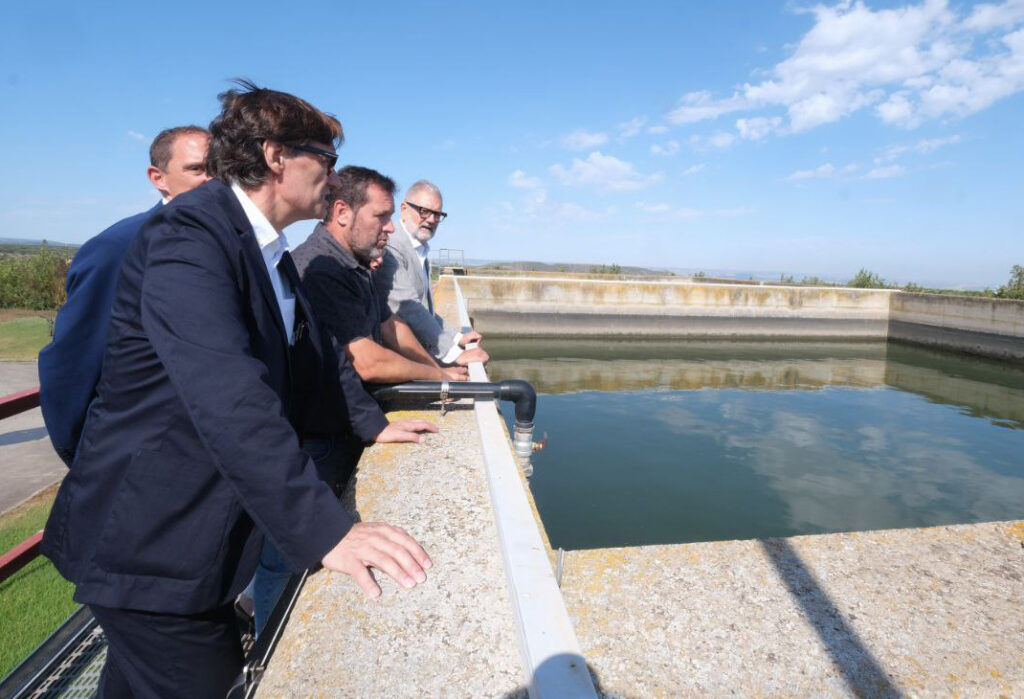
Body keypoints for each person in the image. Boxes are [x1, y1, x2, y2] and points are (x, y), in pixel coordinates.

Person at [42, 81, 435, 698]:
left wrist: (373, 424)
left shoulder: (264, 248)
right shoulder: (189, 236)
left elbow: (319, 356)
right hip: (148, 540)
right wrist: (325, 529)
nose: (333, 181)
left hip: (187, 538)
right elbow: (227, 393)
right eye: (325, 161)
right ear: (276, 157)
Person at [38, 126, 210, 465]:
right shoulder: (119, 248)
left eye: (221, 168)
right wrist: (86, 455)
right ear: (158, 177)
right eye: (197, 169)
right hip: (133, 456)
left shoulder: (232, 245)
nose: (212, 180)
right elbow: (74, 363)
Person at [376, 180, 488, 366]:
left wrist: (457, 337)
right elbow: (406, 307)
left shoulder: (419, 249)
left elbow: (426, 311)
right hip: (398, 361)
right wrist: (454, 354)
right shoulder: (391, 247)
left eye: (437, 214)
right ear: (404, 208)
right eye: (424, 211)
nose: (432, 219)